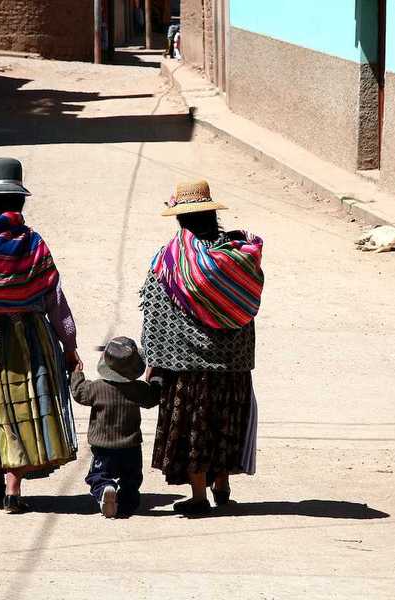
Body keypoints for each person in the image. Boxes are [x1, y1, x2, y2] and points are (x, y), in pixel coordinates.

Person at [0, 157, 81, 514]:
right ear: (20, 203)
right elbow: (54, 299)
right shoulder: (33, 244)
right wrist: (70, 345)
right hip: (27, 337)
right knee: (21, 406)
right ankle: (11, 488)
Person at [141, 180, 264, 515]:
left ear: (180, 219)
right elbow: (246, 305)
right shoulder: (238, 257)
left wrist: (152, 362)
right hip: (232, 364)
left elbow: (155, 311)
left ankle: (198, 495)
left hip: (186, 366)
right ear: (212, 214)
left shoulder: (170, 259)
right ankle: (222, 482)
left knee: (194, 426)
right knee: (223, 422)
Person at [70, 336, 159, 518]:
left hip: (103, 446)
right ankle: (126, 503)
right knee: (131, 479)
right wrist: (156, 377)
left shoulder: (96, 388)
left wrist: (76, 373)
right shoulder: (138, 389)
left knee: (99, 475)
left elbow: (79, 392)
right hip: (131, 446)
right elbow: (153, 397)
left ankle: (104, 489)